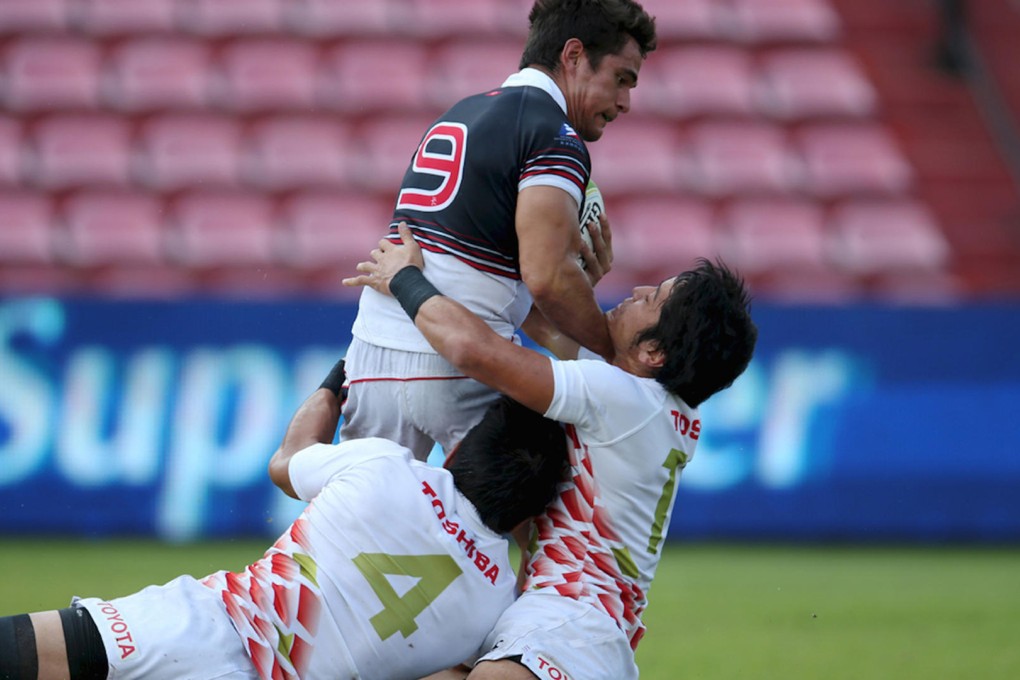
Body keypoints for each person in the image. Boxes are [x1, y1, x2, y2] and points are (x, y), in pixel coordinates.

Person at [344, 224, 758, 679]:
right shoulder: (664, 406)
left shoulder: (619, 396)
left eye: (650, 299)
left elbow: (475, 350)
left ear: (654, 352)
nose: (636, 290)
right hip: (572, 622)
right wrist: (550, 269)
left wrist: (404, 279)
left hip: (571, 618)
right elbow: (536, 319)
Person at [0, 362, 569, 680]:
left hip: (205, 624)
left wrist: (331, 386)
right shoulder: (498, 601)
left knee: (23, 652)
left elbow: (286, 461)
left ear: (469, 442)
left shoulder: (390, 469)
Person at [342, 0, 658, 461]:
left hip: (373, 348)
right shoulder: (553, 133)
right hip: (458, 361)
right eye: (621, 78)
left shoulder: (460, 112)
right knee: (515, 522)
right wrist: (614, 356)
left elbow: (488, 271)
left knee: (357, 520)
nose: (625, 102)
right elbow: (547, 277)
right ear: (573, 56)